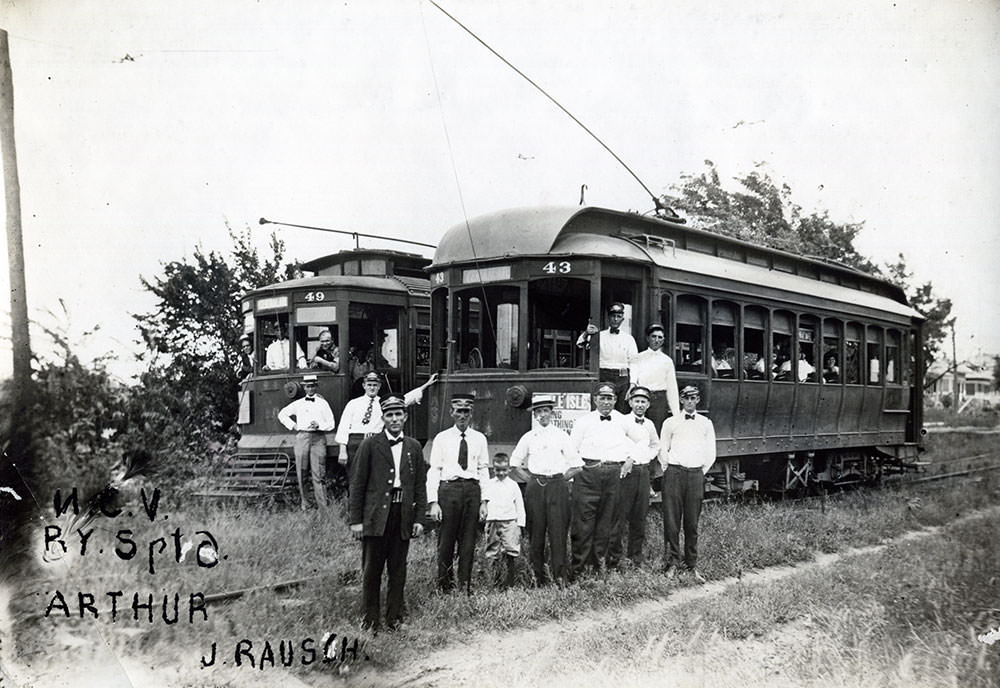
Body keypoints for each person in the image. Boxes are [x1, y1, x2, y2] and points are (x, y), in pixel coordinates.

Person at [349, 396, 427, 632]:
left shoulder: (414, 446)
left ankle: (394, 619)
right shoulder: (370, 446)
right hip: (375, 517)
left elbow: (419, 487)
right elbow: (357, 485)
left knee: (398, 570)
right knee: (372, 570)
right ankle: (370, 621)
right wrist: (356, 521)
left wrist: (419, 519)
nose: (394, 419)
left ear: (405, 417)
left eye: (398, 415)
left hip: (402, 514)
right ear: (383, 418)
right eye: (389, 415)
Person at [509, 395, 582, 587]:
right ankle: (537, 578)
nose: (542, 415)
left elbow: (577, 466)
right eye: (539, 412)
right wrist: (532, 480)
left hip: (557, 486)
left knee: (558, 533)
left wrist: (559, 480)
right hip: (535, 488)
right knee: (536, 533)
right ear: (535, 415)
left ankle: (560, 577)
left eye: (546, 411)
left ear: (552, 412)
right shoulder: (528, 437)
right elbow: (514, 464)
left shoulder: (561, 435)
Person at [569, 383, 637, 578]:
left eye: (610, 398)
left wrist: (630, 460)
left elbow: (642, 440)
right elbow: (572, 449)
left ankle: (600, 568)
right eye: (603, 398)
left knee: (607, 522)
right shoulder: (583, 422)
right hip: (588, 473)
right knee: (583, 523)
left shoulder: (624, 421)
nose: (606, 402)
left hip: (614, 473)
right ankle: (579, 571)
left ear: (615, 400)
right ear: (595, 399)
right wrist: (577, 472)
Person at [333, 371, 439, 497]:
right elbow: (344, 426)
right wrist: (342, 450)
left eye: (375, 385)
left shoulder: (384, 404)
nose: (372, 387)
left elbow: (406, 398)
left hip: (375, 442)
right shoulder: (353, 404)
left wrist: (426, 384)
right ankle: (354, 512)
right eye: (369, 384)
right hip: (355, 443)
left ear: (379, 386)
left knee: (375, 479)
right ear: (364, 386)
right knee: (356, 480)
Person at [427, 393, 491, 593]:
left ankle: (465, 586)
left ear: (471, 414)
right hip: (449, 491)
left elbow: (483, 469)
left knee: (468, 541)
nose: (462, 416)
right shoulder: (442, 438)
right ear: (451, 413)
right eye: (458, 411)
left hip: (472, 491)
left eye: (466, 412)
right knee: (446, 541)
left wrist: (485, 501)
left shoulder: (479, 438)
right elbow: (435, 469)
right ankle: (444, 586)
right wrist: (433, 502)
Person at [659, 385, 716, 583]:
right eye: (686, 398)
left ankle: (692, 565)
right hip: (674, 474)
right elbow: (662, 449)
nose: (690, 402)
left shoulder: (706, 423)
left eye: (694, 398)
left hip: (695, 475)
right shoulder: (670, 422)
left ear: (698, 400)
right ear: (681, 400)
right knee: (672, 522)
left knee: (692, 523)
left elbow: (711, 452)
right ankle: (672, 563)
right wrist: (669, 469)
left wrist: (699, 472)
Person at [610, 386, 660, 566]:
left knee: (639, 516)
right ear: (630, 402)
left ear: (648, 405)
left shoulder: (649, 424)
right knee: (620, 516)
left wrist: (645, 457)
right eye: (636, 401)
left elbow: (655, 445)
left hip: (643, 472)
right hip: (626, 473)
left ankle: (635, 557)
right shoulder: (622, 422)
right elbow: (618, 444)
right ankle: (614, 559)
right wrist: (629, 458)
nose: (640, 405)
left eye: (643, 402)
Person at [277, 375, 335, 510]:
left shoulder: (323, 403)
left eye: (313, 386)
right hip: (302, 438)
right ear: (304, 387)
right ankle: (306, 505)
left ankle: (323, 508)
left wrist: (319, 425)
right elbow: (282, 414)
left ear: (316, 386)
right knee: (301, 473)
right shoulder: (299, 403)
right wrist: (294, 426)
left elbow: (331, 423)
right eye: (308, 386)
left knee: (319, 473)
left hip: (318, 438)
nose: (310, 388)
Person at [577, 302, 638, 412]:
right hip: (604, 376)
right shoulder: (600, 335)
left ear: (622, 319)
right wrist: (587, 333)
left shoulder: (629, 339)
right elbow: (580, 344)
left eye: (618, 316)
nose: (615, 319)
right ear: (608, 317)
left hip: (623, 379)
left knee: (622, 411)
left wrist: (632, 384)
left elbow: (634, 363)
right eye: (613, 316)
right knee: (603, 409)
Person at [480, 453, 526, 589]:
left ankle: (509, 583)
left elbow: (520, 505)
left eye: (504, 470)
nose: (501, 473)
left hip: (510, 521)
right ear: (493, 469)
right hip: (493, 521)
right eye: (497, 470)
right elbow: (484, 502)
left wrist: (520, 524)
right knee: (492, 550)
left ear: (509, 469)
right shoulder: (488, 484)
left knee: (510, 550)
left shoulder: (513, 485)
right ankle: (494, 581)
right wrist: (485, 518)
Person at [628, 323, 681, 428]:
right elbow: (633, 378)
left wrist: (676, 414)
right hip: (641, 398)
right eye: (653, 336)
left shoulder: (667, 361)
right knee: (638, 428)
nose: (656, 340)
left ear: (663, 340)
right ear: (648, 338)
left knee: (657, 430)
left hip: (659, 401)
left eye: (660, 337)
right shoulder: (638, 358)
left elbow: (672, 387)